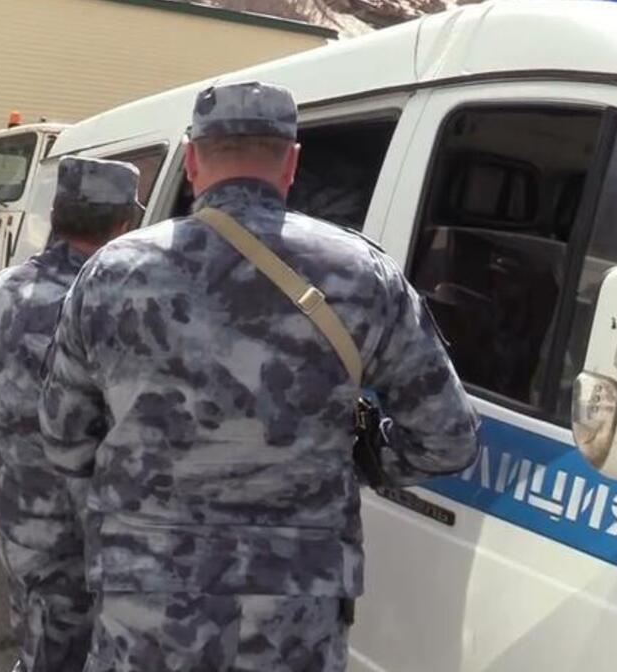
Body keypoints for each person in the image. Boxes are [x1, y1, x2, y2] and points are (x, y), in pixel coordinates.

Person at [38, 82, 481, 671]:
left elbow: (64, 440)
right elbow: (449, 441)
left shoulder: (111, 272)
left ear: (192, 161)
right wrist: (357, 463)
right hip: (295, 606)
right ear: (291, 163)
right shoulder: (364, 274)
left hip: (148, 596)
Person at [0, 157, 141, 672]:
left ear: (56, 213)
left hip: (16, 512)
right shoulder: (110, 301)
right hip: (78, 529)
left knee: (37, 643)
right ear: (124, 222)